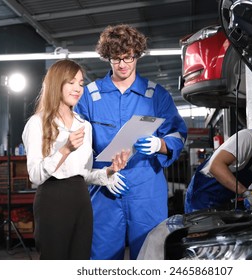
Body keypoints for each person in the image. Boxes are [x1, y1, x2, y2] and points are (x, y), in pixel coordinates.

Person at [75, 24, 187, 260]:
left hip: (147, 190)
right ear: (107, 57)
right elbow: (77, 147)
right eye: (116, 59)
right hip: (104, 189)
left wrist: (160, 145)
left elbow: (177, 134)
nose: (123, 64)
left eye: (128, 57)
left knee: (150, 258)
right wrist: (99, 173)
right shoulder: (89, 96)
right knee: (102, 260)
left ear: (137, 55)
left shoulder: (156, 95)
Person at [22, 59, 130, 260]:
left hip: (81, 200)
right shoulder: (37, 123)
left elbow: (85, 174)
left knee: (80, 261)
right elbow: (35, 176)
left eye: (81, 83)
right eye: (71, 82)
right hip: (52, 200)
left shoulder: (84, 126)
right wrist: (65, 149)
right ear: (57, 83)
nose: (78, 88)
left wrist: (110, 171)